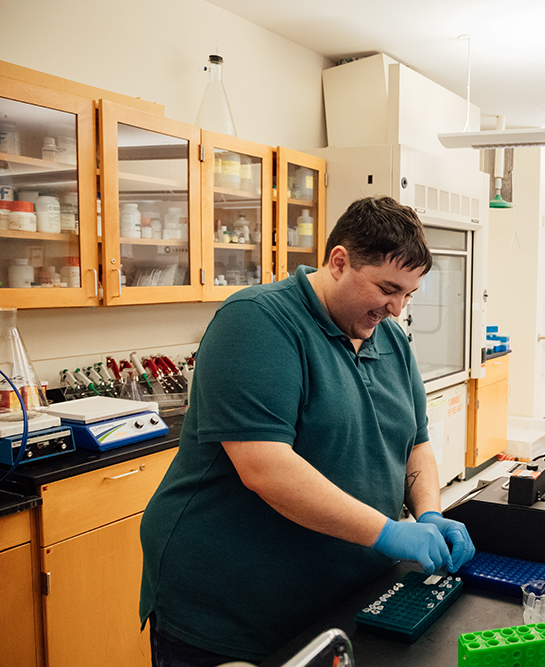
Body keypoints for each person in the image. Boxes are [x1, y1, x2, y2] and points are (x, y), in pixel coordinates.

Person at [139, 196, 476, 665]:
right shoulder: (258, 321)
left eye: (408, 294)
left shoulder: (391, 339)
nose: (397, 309)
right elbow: (266, 467)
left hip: (338, 597)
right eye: (387, 288)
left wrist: (428, 513)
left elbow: (414, 442)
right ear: (339, 262)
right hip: (233, 606)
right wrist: (387, 533)